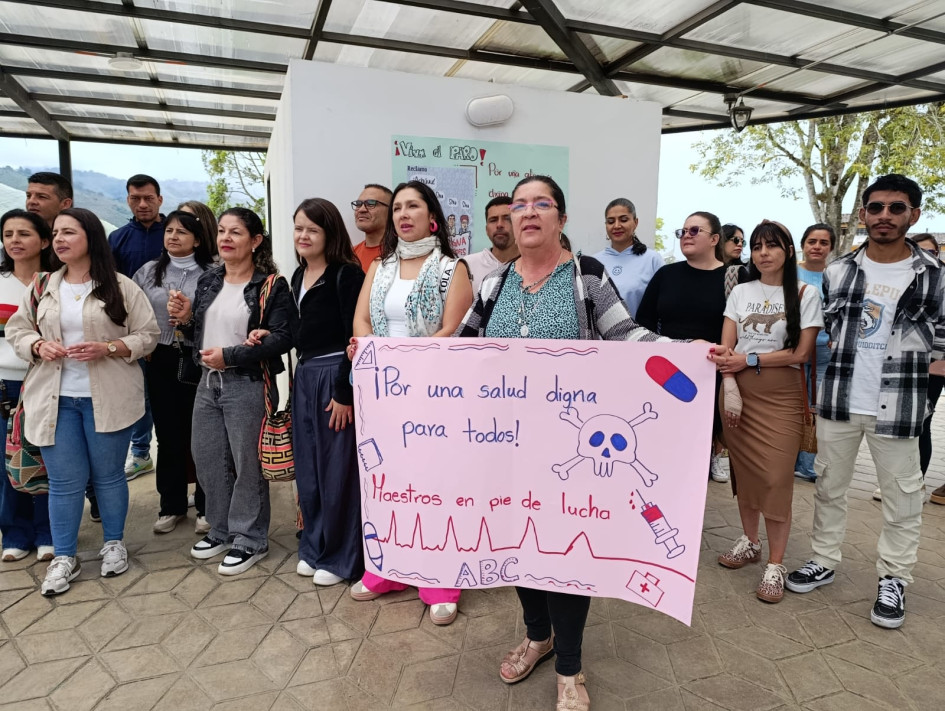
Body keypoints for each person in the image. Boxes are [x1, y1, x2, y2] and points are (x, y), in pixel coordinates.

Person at [455, 175, 683, 711]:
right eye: (519, 206)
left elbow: (627, 336)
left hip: (570, 455)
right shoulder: (494, 284)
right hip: (504, 445)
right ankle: (538, 636)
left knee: (568, 555)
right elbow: (457, 350)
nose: (528, 213)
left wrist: (686, 351)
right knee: (518, 545)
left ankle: (571, 667)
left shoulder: (586, 276)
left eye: (542, 204)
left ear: (560, 217)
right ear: (510, 220)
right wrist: (383, 356)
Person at [786, 174, 945, 630]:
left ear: (913, 215)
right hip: (840, 398)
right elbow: (832, 332)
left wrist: (921, 373)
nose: (885, 216)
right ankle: (823, 558)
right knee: (829, 485)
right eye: (876, 208)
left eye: (897, 208)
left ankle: (894, 577)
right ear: (863, 215)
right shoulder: (838, 271)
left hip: (900, 404)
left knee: (902, 497)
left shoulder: (934, 275)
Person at [6, 208, 159, 596]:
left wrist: (109, 347)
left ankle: (113, 544)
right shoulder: (42, 286)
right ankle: (65, 556)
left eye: (68, 232)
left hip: (107, 398)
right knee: (63, 483)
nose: (59, 239)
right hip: (56, 400)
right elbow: (18, 330)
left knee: (108, 477)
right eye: (55, 233)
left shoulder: (121, 287)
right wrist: (37, 344)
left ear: (90, 237)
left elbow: (149, 334)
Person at [348, 179, 472, 625]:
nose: (403, 213)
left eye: (412, 206)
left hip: (433, 396)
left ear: (432, 217)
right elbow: (362, 319)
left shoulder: (450, 268)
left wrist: (406, 364)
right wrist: (374, 354)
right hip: (383, 395)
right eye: (397, 206)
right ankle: (387, 569)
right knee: (387, 483)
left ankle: (440, 579)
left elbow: (454, 330)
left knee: (434, 487)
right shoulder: (378, 268)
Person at [168, 208, 296, 576]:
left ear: (255, 241)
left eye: (235, 232)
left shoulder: (271, 285)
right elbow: (198, 335)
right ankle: (221, 529)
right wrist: (188, 319)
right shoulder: (209, 280)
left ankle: (250, 539)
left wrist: (233, 355)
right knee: (207, 458)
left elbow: (283, 337)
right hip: (208, 383)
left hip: (246, 382)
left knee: (247, 465)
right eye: (222, 231)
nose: (225, 238)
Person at [712, 220, 823, 603]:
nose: (763, 253)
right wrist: (732, 367)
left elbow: (801, 353)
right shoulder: (741, 291)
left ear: (788, 251)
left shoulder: (805, 293)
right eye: (757, 246)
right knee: (745, 474)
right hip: (738, 391)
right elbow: (727, 345)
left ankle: (776, 564)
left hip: (782, 398)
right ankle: (750, 542)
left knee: (776, 478)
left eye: (772, 246)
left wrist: (748, 359)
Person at [290, 199, 365, 586]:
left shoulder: (346, 274)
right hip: (304, 376)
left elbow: (357, 336)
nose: (303, 236)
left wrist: (344, 391)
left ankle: (341, 558)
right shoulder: (296, 275)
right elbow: (298, 330)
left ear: (329, 233)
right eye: (298, 228)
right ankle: (315, 547)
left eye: (312, 230)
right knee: (311, 469)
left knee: (338, 471)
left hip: (335, 375)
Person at [132, 210, 213, 535]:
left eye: (182, 231)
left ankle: (207, 505)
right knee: (167, 436)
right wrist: (146, 344)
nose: (173, 236)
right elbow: (133, 312)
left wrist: (192, 317)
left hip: (200, 358)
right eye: (169, 231)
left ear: (197, 238)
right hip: (161, 359)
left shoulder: (212, 272)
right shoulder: (148, 272)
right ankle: (172, 505)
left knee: (203, 435)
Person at [636, 211, 731, 483]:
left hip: (711, 378)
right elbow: (643, 323)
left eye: (694, 231)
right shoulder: (666, 275)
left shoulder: (733, 278)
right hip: (665, 374)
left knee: (698, 452)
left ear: (714, 239)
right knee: (660, 447)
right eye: (683, 231)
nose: (685, 236)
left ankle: (691, 515)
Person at [0, 210, 55, 563]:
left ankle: (49, 531)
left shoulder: (57, 283)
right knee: (7, 464)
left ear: (45, 241)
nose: (15, 241)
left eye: (24, 233)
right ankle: (15, 533)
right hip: (5, 384)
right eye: (8, 235)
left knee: (49, 462)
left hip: (46, 383)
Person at [109, 174, 166, 481]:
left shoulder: (173, 234)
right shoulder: (117, 239)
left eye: (148, 198)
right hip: (132, 333)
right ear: (128, 200)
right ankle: (141, 452)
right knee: (139, 394)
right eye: (135, 198)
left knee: (167, 395)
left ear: (160, 199)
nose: (142, 204)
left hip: (175, 331)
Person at [793, 223, 836, 482]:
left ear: (830, 247)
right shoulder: (790, 274)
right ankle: (786, 460)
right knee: (791, 406)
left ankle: (808, 465)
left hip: (823, 353)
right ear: (803, 245)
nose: (817, 247)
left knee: (816, 408)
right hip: (793, 351)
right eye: (812, 241)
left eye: (823, 242)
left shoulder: (836, 276)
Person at [593, 198, 664, 318]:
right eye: (610, 221)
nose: (616, 226)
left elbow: (663, 304)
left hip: (640, 335)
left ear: (635, 223)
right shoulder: (593, 262)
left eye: (623, 220)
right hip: (600, 336)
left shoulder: (652, 260)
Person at [464, 196, 518, 295]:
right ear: (486, 230)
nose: (499, 225)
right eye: (493, 220)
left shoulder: (532, 266)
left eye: (507, 219)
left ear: (519, 224)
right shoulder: (467, 265)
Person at [351, 184, 391, 273]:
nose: (362, 209)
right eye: (358, 204)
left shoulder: (402, 253)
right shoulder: (350, 255)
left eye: (371, 203)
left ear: (391, 211)